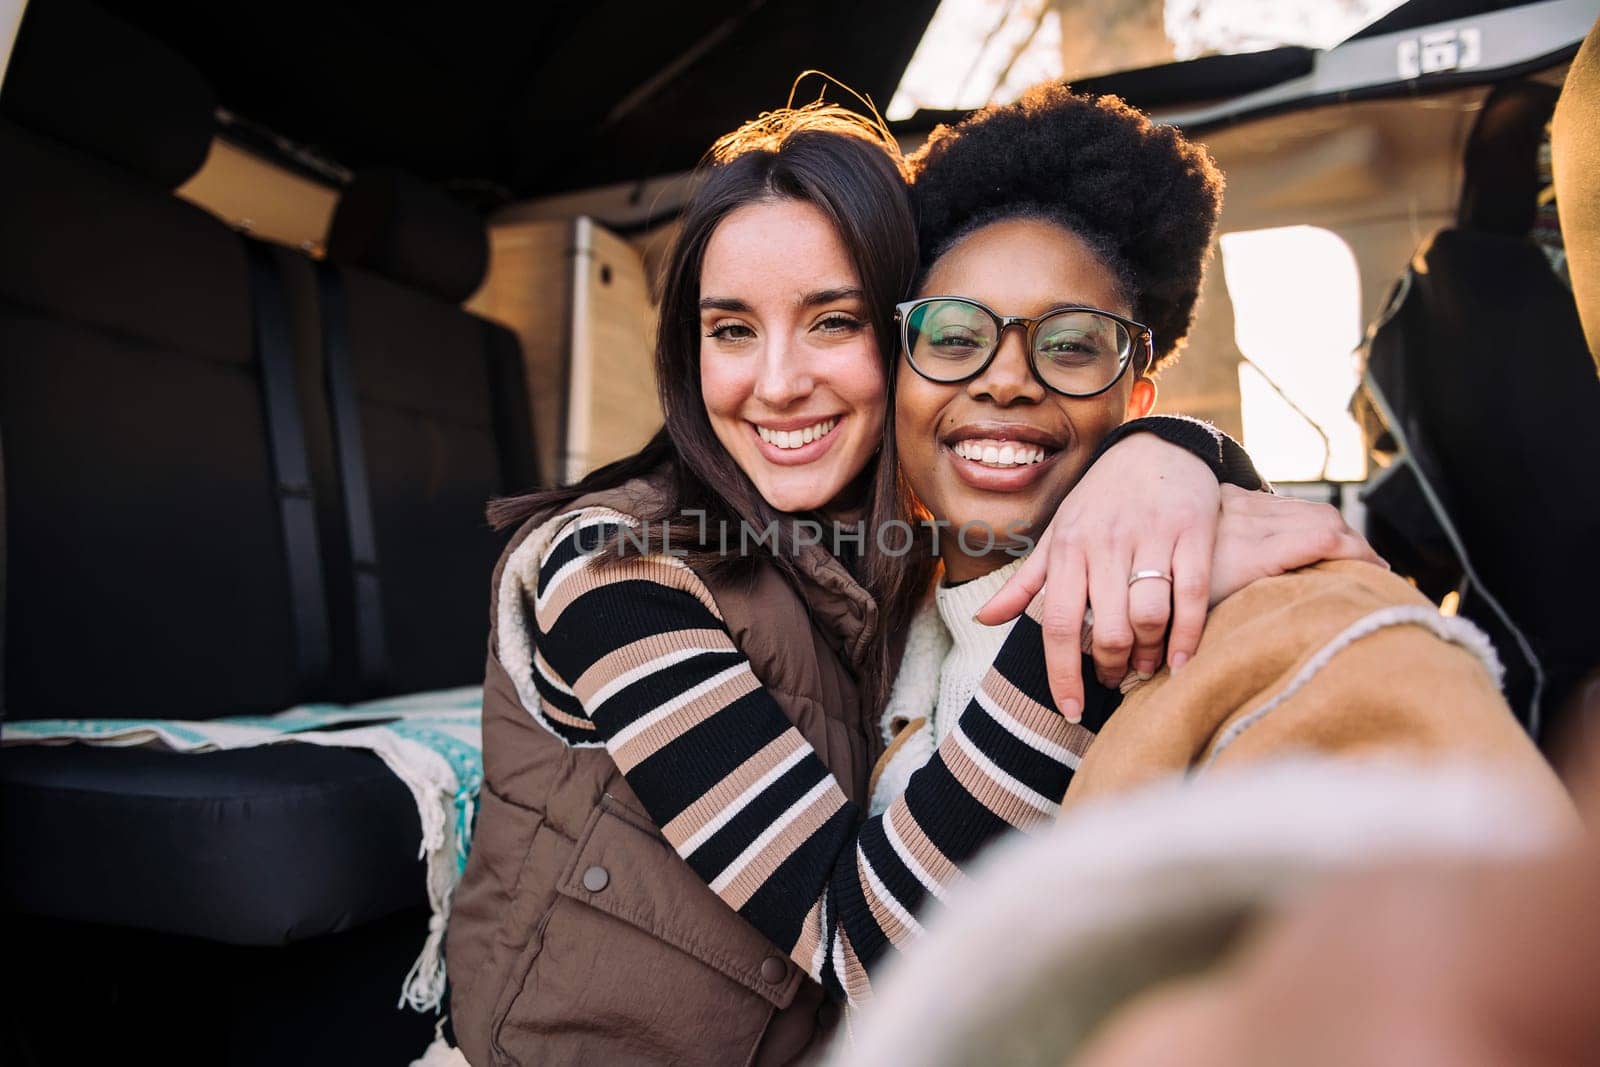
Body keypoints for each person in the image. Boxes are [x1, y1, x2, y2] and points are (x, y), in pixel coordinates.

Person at [446, 102, 1358, 1066]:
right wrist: (1093, 610)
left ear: (903, 342)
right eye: (732, 330)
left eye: (831, 320)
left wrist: (1170, 455)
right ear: (690, 352)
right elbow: (855, 942)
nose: (780, 381)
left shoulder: (899, 556)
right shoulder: (609, 570)